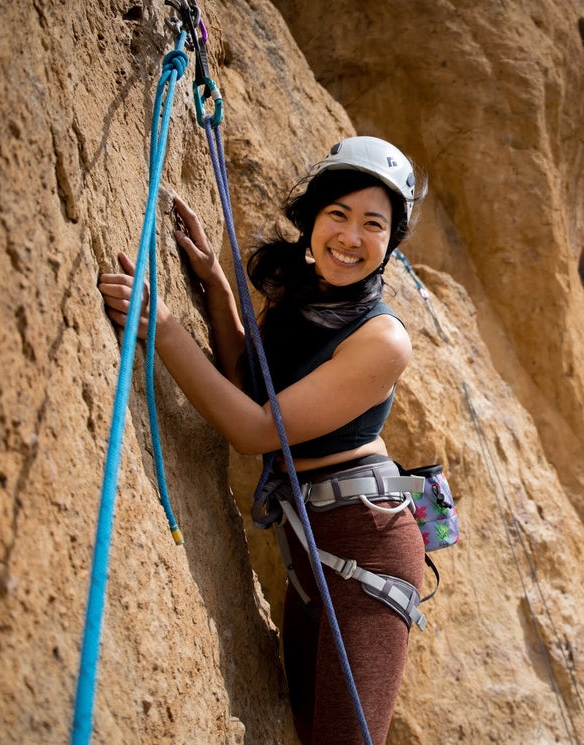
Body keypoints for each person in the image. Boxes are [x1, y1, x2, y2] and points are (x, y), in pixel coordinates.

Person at [98, 136, 428, 744]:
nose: (351, 237)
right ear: (311, 220)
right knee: (309, 727)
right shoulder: (307, 298)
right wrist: (216, 286)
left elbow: (254, 430)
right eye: (338, 215)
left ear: (391, 243)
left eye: (373, 225)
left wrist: (163, 327)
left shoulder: (383, 339)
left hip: (368, 548)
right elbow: (253, 384)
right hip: (312, 540)